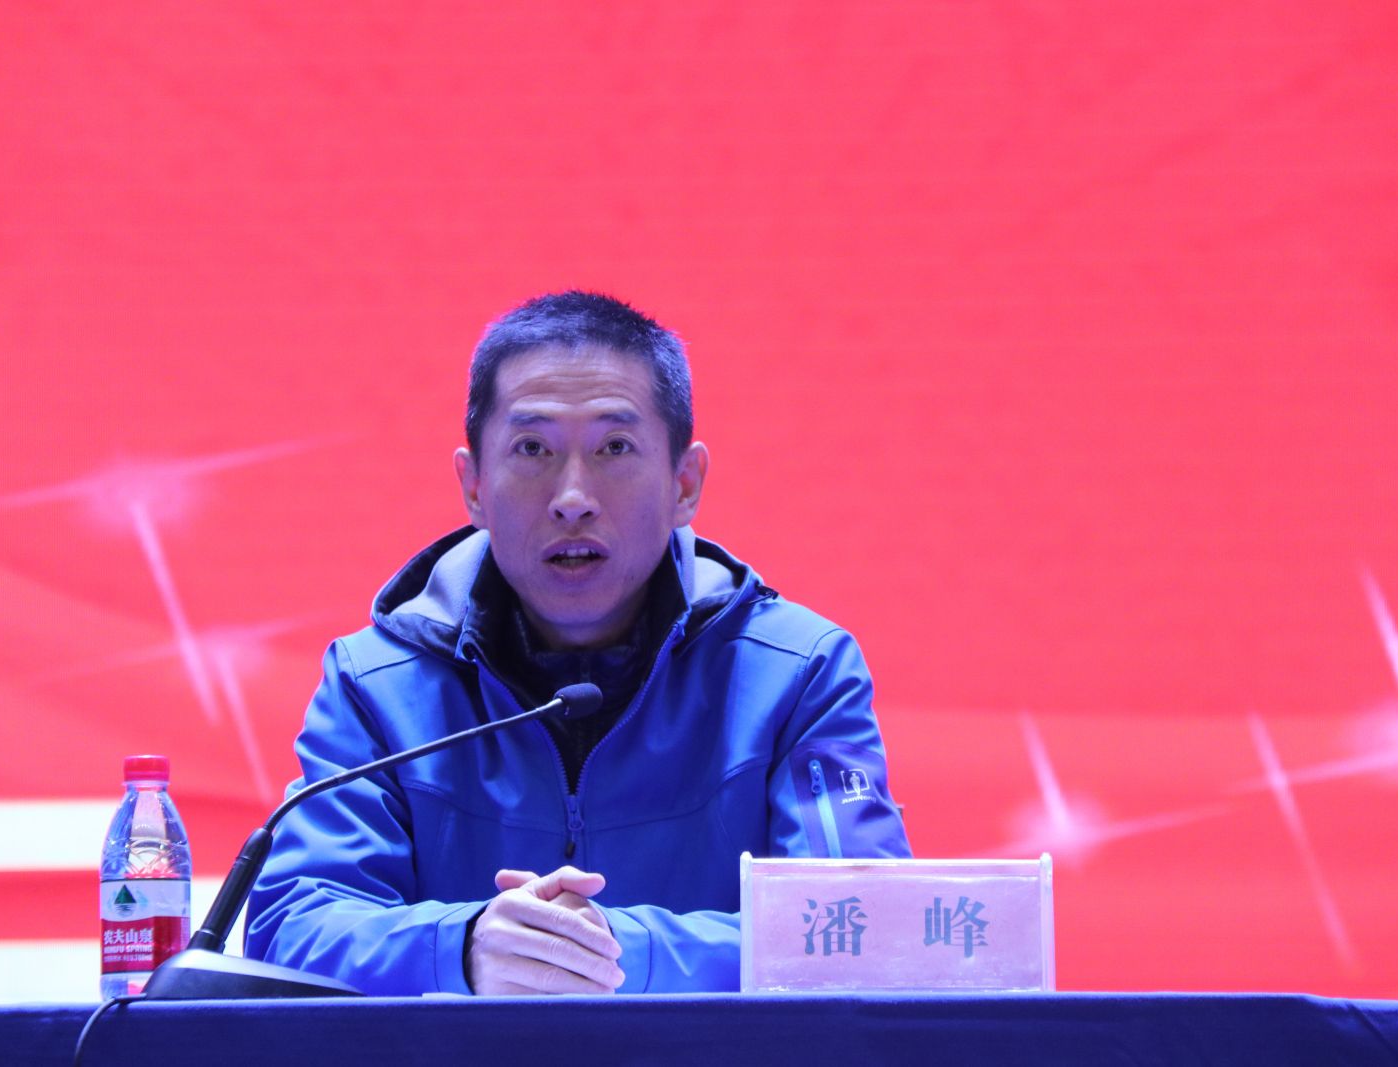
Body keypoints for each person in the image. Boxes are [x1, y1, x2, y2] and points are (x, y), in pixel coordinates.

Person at [245, 291, 910, 994]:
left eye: (614, 448)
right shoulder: (375, 683)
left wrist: (618, 952)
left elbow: (866, 931)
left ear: (685, 484)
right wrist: (463, 947)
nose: (572, 498)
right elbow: (292, 925)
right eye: (532, 449)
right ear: (473, 487)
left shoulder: (798, 673)